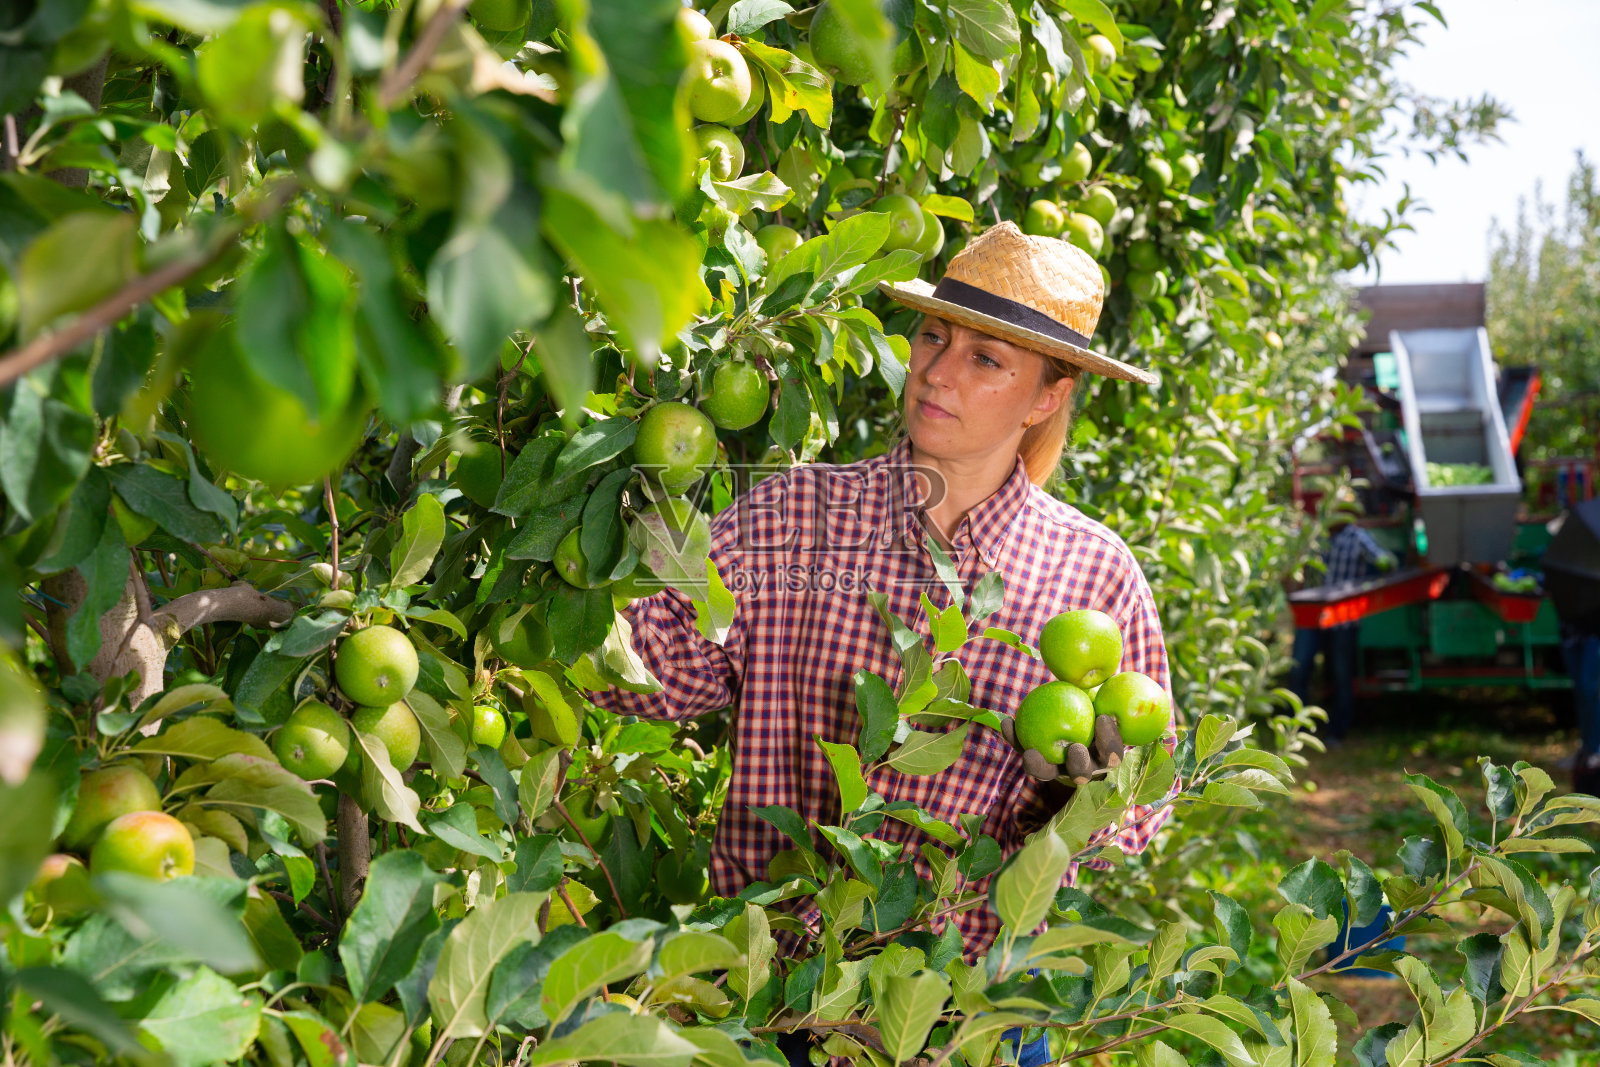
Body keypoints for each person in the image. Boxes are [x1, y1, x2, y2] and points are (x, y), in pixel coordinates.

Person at [591, 222, 1174, 1067]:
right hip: (769, 1006)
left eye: (985, 358)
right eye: (934, 336)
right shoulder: (792, 513)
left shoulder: (1092, 574)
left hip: (961, 1022)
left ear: (1046, 398)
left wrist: (1077, 802)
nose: (937, 371)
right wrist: (612, 509)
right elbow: (650, 675)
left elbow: (1138, 813)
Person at [1287, 507, 1397, 744]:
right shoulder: (1315, 536)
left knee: (1341, 675)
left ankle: (1337, 731)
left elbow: (1382, 558)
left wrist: (1386, 562)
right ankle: (1295, 730)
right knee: (1299, 669)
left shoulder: (1358, 538)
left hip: (1343, 619)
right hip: (1312, 615)